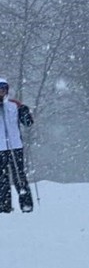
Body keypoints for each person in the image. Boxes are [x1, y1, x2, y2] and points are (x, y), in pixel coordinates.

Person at [0, 77, 34, 213]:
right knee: (2, 179)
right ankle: (4, 205)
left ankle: (26, 204)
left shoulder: (14, 106)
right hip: (0, 148)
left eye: (3, 90)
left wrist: (25, 113)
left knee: (19, 176)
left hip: (15, 146)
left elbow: (28, 123)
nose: (1, 93)